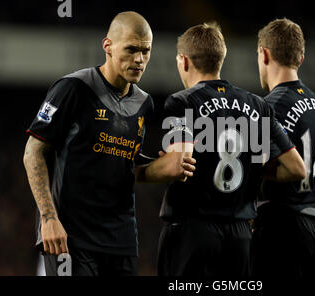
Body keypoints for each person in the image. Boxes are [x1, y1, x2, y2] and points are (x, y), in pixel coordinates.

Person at [23, 11, 195, 276]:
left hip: (121, 242)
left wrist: (166, 167)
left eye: (146, 51)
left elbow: (127, 164)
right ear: (108, 47)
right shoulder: (73, 88)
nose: (139, 59)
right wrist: (48, 219)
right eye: (131, 49)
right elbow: (33, 152)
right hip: (70, 237)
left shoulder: (144, 104)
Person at [157, 22, 306, 276]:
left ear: (183, 61)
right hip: (240, 236)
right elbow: (296, 168)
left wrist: (159, 164)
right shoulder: (259, 106)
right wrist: (253, 170)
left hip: (193, 231)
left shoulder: (182, 102)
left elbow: (177, 167)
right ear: (220, 59)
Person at [251, 18, 315, 277]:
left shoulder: (271, 106)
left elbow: (256, 166)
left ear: (264, 54)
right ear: (300, 59)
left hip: (286, 229)